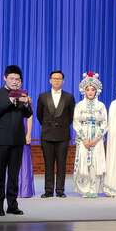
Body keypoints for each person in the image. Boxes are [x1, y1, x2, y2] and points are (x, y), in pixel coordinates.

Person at [0, 65, 32, 216]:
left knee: (14, 175)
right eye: (12, 78)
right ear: (4, 78)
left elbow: (27, 114)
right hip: (0, 141)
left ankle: (12, 205)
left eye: (18, 79)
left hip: (17, 140)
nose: (15, 81)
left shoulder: (22, 94)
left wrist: (26, 103)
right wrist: (10, 100)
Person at [36, 70, 75, 198]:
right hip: (47, 135)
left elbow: (71, 116)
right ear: (50, 80)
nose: (56, 80)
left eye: (59, 79)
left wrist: (61, 125)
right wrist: (48, 125)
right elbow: (39, 115)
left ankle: (60, 190)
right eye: (54, 78)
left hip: (63, 135)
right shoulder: (43, 96)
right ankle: (48, 190)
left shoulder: (69, 97)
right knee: (48, 164)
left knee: (62, 164)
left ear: (63, 81)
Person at [73, 72, 107, 198]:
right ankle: (85, 188)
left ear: (96, 91)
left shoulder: (101, 106)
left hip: (97, 137)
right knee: (84, 161)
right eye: (88, 89)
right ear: (84, 91)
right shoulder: (79, 105)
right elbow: (76, 122)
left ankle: (94, 188)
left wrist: (96, 139)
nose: (90, 92)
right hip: (84, 136)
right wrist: (84, 139)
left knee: (95, 162)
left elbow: (105, 123)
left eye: (93, 89)